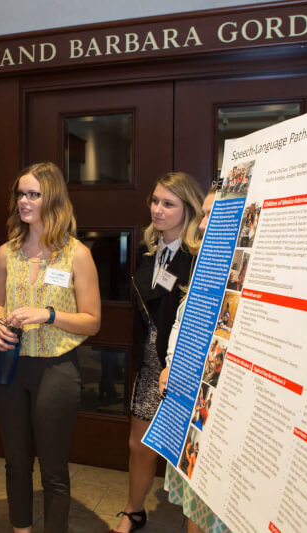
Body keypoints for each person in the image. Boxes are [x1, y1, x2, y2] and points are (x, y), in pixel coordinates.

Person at [0, 161, 100, 532]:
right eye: (20, 194)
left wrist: (49, 314)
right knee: (15, 462)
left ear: (52, 199)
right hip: (9, 366)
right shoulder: (7, 252)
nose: (24, 201)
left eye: (33, 194)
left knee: (53, 468)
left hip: (56, 370)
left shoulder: (77, 255)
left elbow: (92, 320)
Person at [112, 172, 204, 533]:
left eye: (168, 204)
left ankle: (193, 524)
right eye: (155, 201)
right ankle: (134, 512)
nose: (158, 210)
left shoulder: (198, 256)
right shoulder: (147, 251)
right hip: (150, 367)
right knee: (139, 445)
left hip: (183, 369)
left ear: (188, 210)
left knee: (189, 455)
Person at [161, 184, 231, 533]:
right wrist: (171, 365)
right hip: (192, 405)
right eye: (203, 214)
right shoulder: (207, 266)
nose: (202, 224)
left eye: (209, 215)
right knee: (195, 501)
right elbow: (182, 320)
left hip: (222, 415)